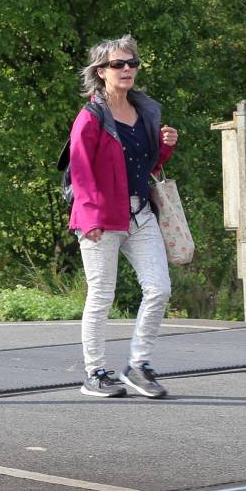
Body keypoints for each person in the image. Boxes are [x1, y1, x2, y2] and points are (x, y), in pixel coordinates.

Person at [68, 35, 178, 400]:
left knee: (159, 288)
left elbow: (148, 166)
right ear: (101, 72)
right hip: (101, 216)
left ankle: (138, 366)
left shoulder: (144, 111)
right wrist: (90, 218)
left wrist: (165, 146)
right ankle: (95, 372)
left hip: (140, 213)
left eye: (132, 63)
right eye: (118, 64)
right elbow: (80, 171)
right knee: (101, 295)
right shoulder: (90, 116)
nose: (127, 69)